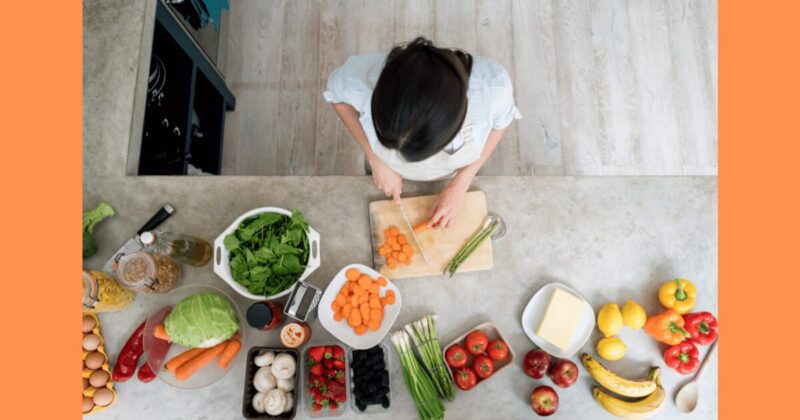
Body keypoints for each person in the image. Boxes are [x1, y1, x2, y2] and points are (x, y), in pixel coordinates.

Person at [324, 37, 521, 228]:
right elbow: (336, 97)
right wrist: (375, 159)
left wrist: (459, 185)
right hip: (384, 171)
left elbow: (500, 124)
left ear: (464, 105)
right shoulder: (360, 78)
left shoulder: (491, 88)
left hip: (456, 173)